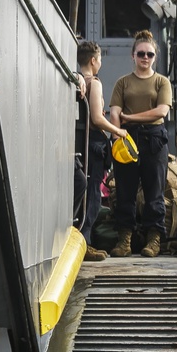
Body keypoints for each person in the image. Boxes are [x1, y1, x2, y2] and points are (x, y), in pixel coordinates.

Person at [109, 29, 172, 258]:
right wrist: (117, 135)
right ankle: (124, 240)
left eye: (150, 54)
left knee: (154, 191)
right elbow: (114, 111)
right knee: (124, 190)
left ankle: (153, 240)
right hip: (126, 138)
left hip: (154, 139)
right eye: (141, 54)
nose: (145, 58)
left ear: (155, 57)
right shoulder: (122, 83)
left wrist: (130, 118)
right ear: (132, 55)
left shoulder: (161, 82)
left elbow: (161, 111)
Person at [75, 41, 128, 262]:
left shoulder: (75, 80)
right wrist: (118, 131)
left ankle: (79, 242)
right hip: (94, 143)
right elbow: (97, 119)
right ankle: (84, 243)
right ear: (93, 60)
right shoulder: (93, 84)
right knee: (94, 196)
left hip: (78, 140)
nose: (100, 64)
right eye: (100, 60)